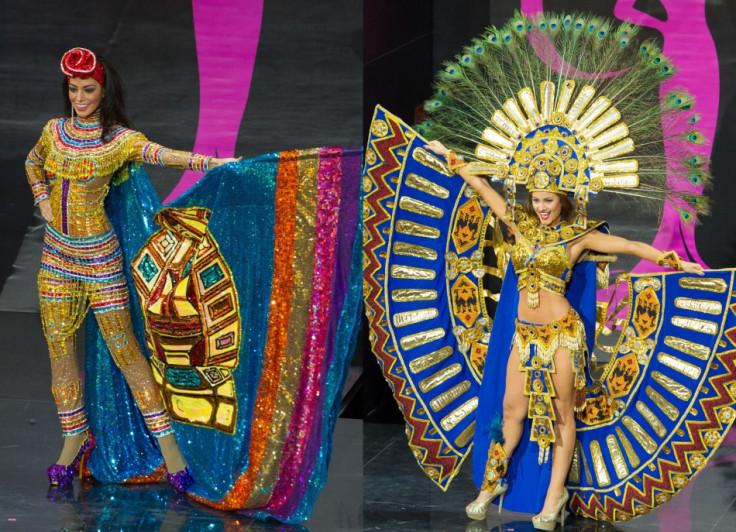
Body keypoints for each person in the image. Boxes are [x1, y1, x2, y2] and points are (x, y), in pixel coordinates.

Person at [425, 139, 703, 529]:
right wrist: (447, 155)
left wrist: (674, 261)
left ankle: (555, 495)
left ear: (562, 201)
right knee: (511, 412)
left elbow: (630, 245)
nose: (540, 208)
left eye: (548, 202)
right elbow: (482, 187)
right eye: (536, 200)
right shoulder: (518, 224)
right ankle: (492, 483)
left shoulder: (576, 237)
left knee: (560, 416)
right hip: (523, 335)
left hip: (562, 335)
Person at [24, 47, 239, 491]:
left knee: (125, 351)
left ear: (104, 91)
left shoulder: (118, 140)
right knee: (59, 352)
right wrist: (41, 198)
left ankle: (169, 448)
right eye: (73, 89)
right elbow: (32, 163)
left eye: (88, 89)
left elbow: (161, 154)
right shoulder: (54, 131)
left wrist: (211, 163)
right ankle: (73, 436)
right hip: (56, 256)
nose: (80, 97)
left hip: (98, 257)